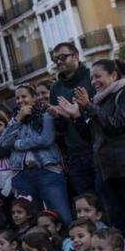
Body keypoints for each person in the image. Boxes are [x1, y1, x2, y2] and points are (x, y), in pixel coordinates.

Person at [65, 59, 125, 249]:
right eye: (91, 77)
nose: (93, 81)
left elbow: (115, 125)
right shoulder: (99, 101)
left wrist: (89, 107)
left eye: (98, 76)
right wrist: (77, 116)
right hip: (111, 172)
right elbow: (90, 137)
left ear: (113, 75)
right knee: (123, 224)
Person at [1, 84, 72, 224]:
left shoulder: (46, 114)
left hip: (47, 172)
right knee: (33, 219)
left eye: (24, 96)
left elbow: (46, 139)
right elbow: (3, 142)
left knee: (61, 215)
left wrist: (17, 144)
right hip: (22, 175)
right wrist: (18, 119)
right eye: (17, 98)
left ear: (33, 98)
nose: (20, 100)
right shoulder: (15, 119)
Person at [48, 41, 98, 195]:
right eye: (55, 59)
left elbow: (102, 111)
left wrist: (83, 107)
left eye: (63, 57)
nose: (59, 62)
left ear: (76, 56)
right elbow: (60, 128)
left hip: (97, 148)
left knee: (107, 198)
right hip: (74, 153)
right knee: (86, 199)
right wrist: (58, 117)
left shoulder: (92, 77)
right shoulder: (56, 88)